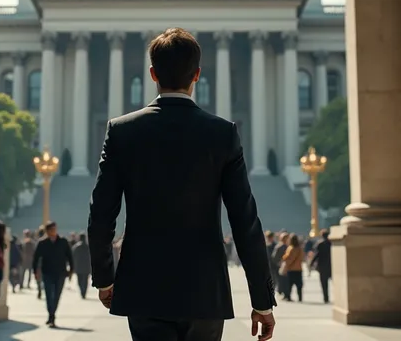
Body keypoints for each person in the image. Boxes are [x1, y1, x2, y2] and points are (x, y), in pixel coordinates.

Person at [88, 27, 276, 341]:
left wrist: (105, 279)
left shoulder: (121, 131)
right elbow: (245, 222)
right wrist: (262, 300)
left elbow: (101, 216)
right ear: (197, 75)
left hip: (143, 288)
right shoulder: (222, 134)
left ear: (152, 74)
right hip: (204, 292)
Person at [33, 221, 74, 328]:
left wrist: (71, 270)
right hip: (47, 273)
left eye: (55, 229)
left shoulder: (63, 242)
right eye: (51, 230)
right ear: (47, 231)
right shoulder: (42, 243)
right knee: (48, 295)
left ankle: (52, 314)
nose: (54, 231)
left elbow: (70, 257)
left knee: (56, 295)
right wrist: (35, 272)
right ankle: (51, 316)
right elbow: (36, 258)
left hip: (61, 273)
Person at [310, 229, 332, 303]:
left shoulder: (320, 244)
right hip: (331, 265)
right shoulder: (331, 243)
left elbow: (317, 255)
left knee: (324, 283)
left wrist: (311, 263)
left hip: (322, 266)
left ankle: (326, 297)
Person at [282, 234, 304, 302]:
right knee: (299, 285)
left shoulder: (290, 248)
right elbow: (302, 257)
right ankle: (300, 297)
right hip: (299, 269)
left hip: (291, 269)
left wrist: (284, 258)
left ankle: (288, 297)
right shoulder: (300, 248)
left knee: (290, 284)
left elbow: (287, 258)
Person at [73, 232, 91, 299]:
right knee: (85, 281)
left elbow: (72, 257)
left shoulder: (76, 247)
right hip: (86, 267)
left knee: (80, 281)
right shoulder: (88, 247)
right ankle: (84, 292)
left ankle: (82, 291)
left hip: (78, 267)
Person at [272, 232, 289, 298]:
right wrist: (279, 262)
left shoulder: (288, 246)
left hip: (287, 266)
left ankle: (285, 293)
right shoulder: (280, 246)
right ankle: (283, 292)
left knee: (284, 280)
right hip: (281, 267)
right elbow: (274, 257)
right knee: (282, 280)